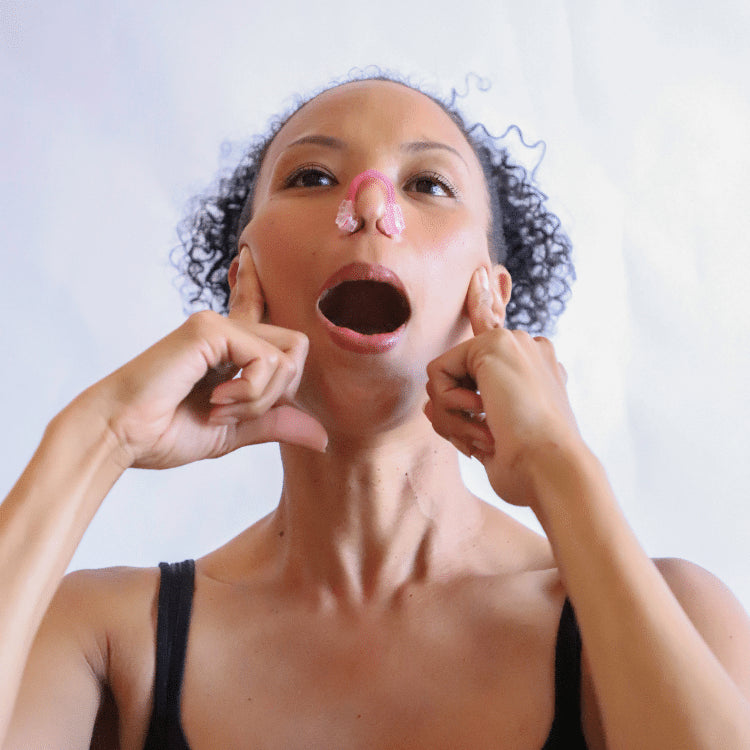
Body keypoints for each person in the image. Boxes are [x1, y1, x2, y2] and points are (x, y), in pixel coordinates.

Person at [2, 74, 750, 750]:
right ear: (244, 281)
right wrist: (95, 438)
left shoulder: (678, 618)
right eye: (314, 176)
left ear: (489, 298)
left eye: (427, 184)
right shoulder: (103, 640)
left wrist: (564, 473)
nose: (368, 206)